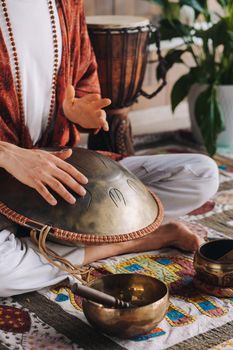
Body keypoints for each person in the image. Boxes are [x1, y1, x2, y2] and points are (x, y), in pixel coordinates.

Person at [0, 0, 219, 297]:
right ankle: (138, 239)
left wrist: (79, 112)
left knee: (201, 174)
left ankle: (46, 238)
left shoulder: (66, 3)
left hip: (65, 175)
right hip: (4, 183)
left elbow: (84, 79)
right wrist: (10, 155)